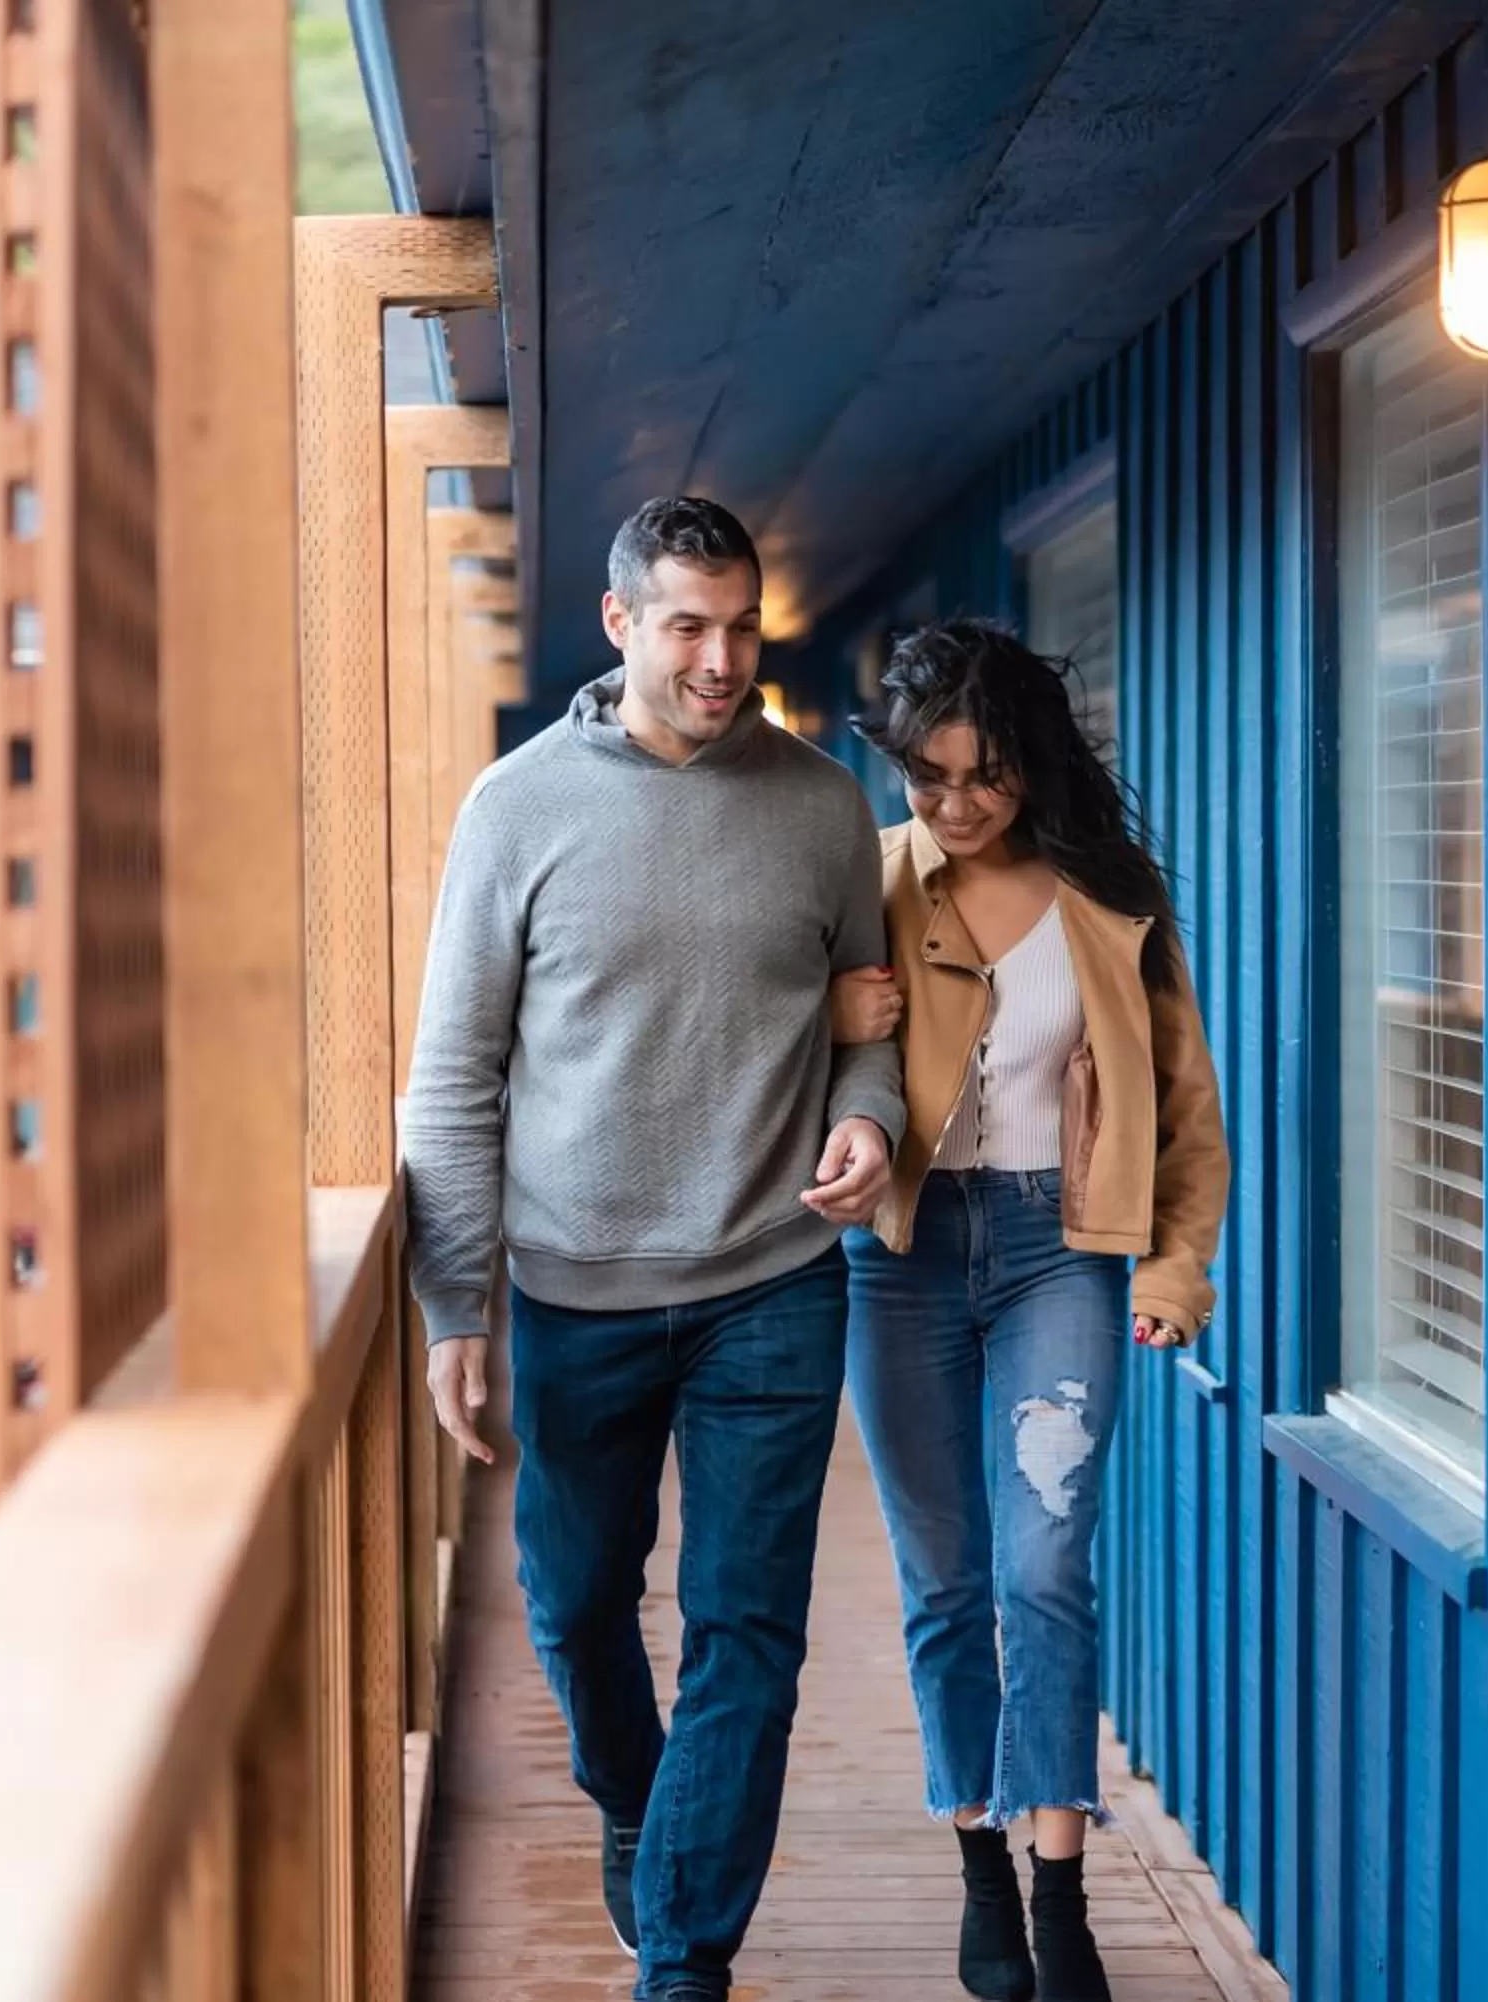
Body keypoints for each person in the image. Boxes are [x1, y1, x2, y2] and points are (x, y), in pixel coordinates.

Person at [399, 496, 904, 2002]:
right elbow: (452, 1075)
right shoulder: (515, 809)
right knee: (572, 1599)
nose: (723, 657)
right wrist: (452, 1301)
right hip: (576, 1291)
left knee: (747, 1629)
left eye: (743, 625)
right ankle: (639, 1797)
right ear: (620, 623)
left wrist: (869, 1119)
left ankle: (683, 1961)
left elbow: (871, 1020)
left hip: (775, 1282)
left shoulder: (822, 803)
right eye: (689, 625)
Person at [826, 617, 1229, 2002]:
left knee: (1045, 1567)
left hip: (1063, 1246)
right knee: (943, 1581)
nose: (955, 803)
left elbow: (1182, 1099)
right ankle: (980, 1856)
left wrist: (1177, 1267)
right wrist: (835, 1016)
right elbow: (773, 1050)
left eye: (983, 772)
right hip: (905, 1253)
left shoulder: (1105, 896)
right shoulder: (869, 882)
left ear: (1031, 758)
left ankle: (1063, 1887)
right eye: (927, 777)